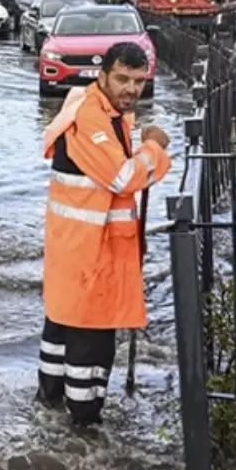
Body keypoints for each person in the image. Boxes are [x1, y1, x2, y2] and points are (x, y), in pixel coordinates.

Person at [37, 42, 172, 429]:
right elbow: (124, 178)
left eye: (139, 81)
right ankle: (83, 432)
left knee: (62, 330)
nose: (132, 89)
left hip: (78, 250)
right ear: (103, 76)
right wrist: (155, 147)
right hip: (89, 255)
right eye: (123, 79)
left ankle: (50, 414)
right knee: (89, 348)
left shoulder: (99, 108)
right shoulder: (93, 119)